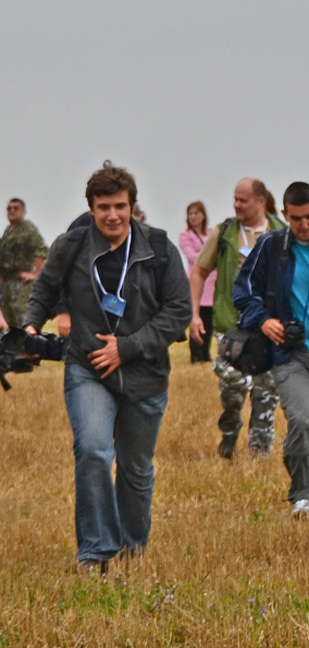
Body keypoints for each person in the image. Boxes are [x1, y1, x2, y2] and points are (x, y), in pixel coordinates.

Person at [21, 162, 190, 571]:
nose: (112, 215)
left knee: (135, 468)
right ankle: (96, 551)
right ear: (91, 209)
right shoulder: (71, 245)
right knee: (94, 451)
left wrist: (127, 348)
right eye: (103, 207)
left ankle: (132, 549)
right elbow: (45, 289)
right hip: (86, 368)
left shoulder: (161, 249)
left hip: (145, 374)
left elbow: (179, 311)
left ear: (133, 206)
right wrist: (30, 323)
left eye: (119, 206)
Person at [234, 182, 309, 516]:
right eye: (296, 218)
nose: (304, 224)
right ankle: (301, 494)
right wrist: (263, 321)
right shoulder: (271, 245)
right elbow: (243, 291)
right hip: (289, 354)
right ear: (284, 214)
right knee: (301, 420)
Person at [189, 179, 284, 458]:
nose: (237, 205)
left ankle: (259, 451)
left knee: (266, 390)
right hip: (231, 325)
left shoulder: (280, 232)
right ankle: (230, 428)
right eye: (235, 199)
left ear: (261, 202)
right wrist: (194, 314)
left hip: (269, 326)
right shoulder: (225, 232)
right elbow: (199, 272)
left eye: (243, 200)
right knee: (233, 383)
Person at [0, 198, 47, 329]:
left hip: (21, 284)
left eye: (16, 208)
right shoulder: (8, 231)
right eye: (9, 208)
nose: (12, 211)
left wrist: (35, 274)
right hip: (6, 284)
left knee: (24, 323)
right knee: (8, 325)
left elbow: (42, 251)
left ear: (23, 211)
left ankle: (28, 349)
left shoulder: (28, 229)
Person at [177, 201, 215, 363]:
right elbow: (193, 257)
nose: (193, 217)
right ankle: (196, 356)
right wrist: (208, 253)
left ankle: (205, 354)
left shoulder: (212, 232)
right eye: (190, 214)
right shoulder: (185, 235)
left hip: (213, 284)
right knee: (195, 320)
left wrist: (204, 252)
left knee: (209, 323)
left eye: (196, 213)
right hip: (197, 283)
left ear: (203, 215)